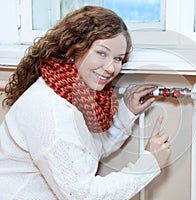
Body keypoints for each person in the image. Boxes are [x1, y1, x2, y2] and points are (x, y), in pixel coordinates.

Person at [0, 6, 171, 199]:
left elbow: (88, 152)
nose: (110, 67)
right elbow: (83, 195)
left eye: (117, 58)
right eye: (101, 53)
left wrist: (127, 112)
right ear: (74, 48)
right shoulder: (53, 111)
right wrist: (149, 164)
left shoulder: (74, 92)